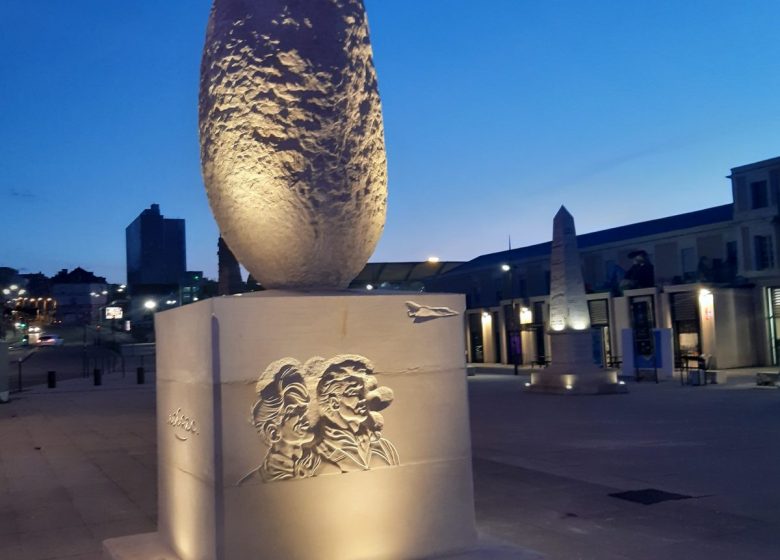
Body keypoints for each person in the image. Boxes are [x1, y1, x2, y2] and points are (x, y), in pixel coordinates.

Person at [312, 356, 399, 473]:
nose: (362, 399)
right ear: (334, 403)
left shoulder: (384, 446)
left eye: (362, 392)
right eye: (353, 392)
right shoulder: (318, 456)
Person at [240, 361, 319, 483]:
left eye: (303, 410)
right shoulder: (252, 484)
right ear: (273, 432)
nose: (304, 417)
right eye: (293, 411)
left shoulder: (325, 467)